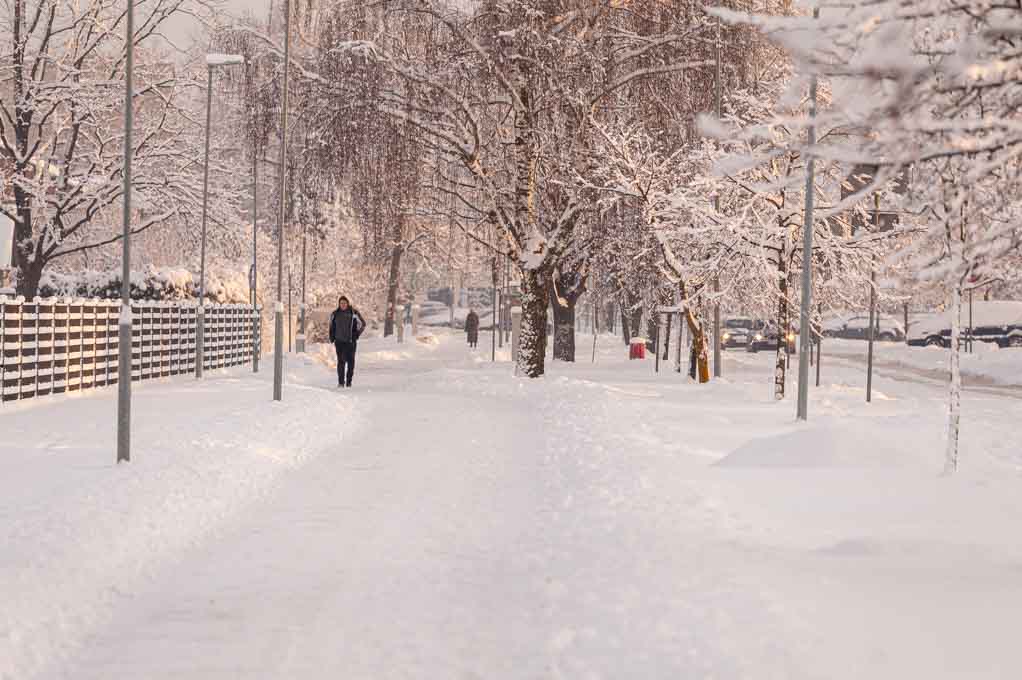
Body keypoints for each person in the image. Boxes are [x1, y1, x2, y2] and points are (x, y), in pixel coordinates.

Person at [329, 296, 366, 388]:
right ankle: (341, 382)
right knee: (341, 362)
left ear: (348, 303)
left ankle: (349, 382)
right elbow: (331, 326)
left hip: (350, 342)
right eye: (341, 303)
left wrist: (356, 335)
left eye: (344, 303)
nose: (343, 305)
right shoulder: (335, 314)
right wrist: (332, 337)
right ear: (339, 304)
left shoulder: (354, 313)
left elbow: (363, 324)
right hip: (339, 342)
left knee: (350, 363)